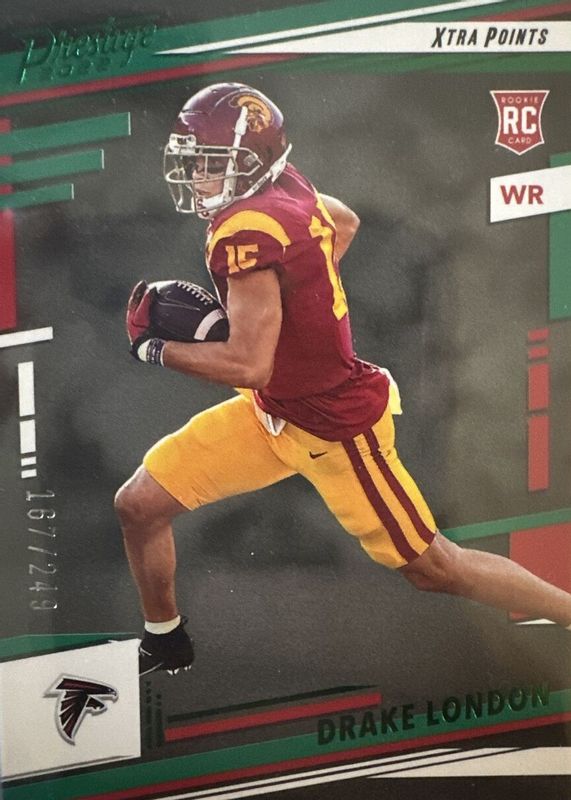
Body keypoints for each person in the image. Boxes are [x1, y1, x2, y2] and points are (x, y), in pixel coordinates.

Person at [115, 82, 571, 676]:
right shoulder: (286, 184)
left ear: (249, 161)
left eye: (210, 162)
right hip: (270, 412)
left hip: (335, 427)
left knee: (435, 568)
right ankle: (166, 639)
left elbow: (248, 365)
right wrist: (297, 296)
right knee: (140, 505)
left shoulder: (243, 233)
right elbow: (343, 222)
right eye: (193, 160)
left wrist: (154, 348)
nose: (196, 175)